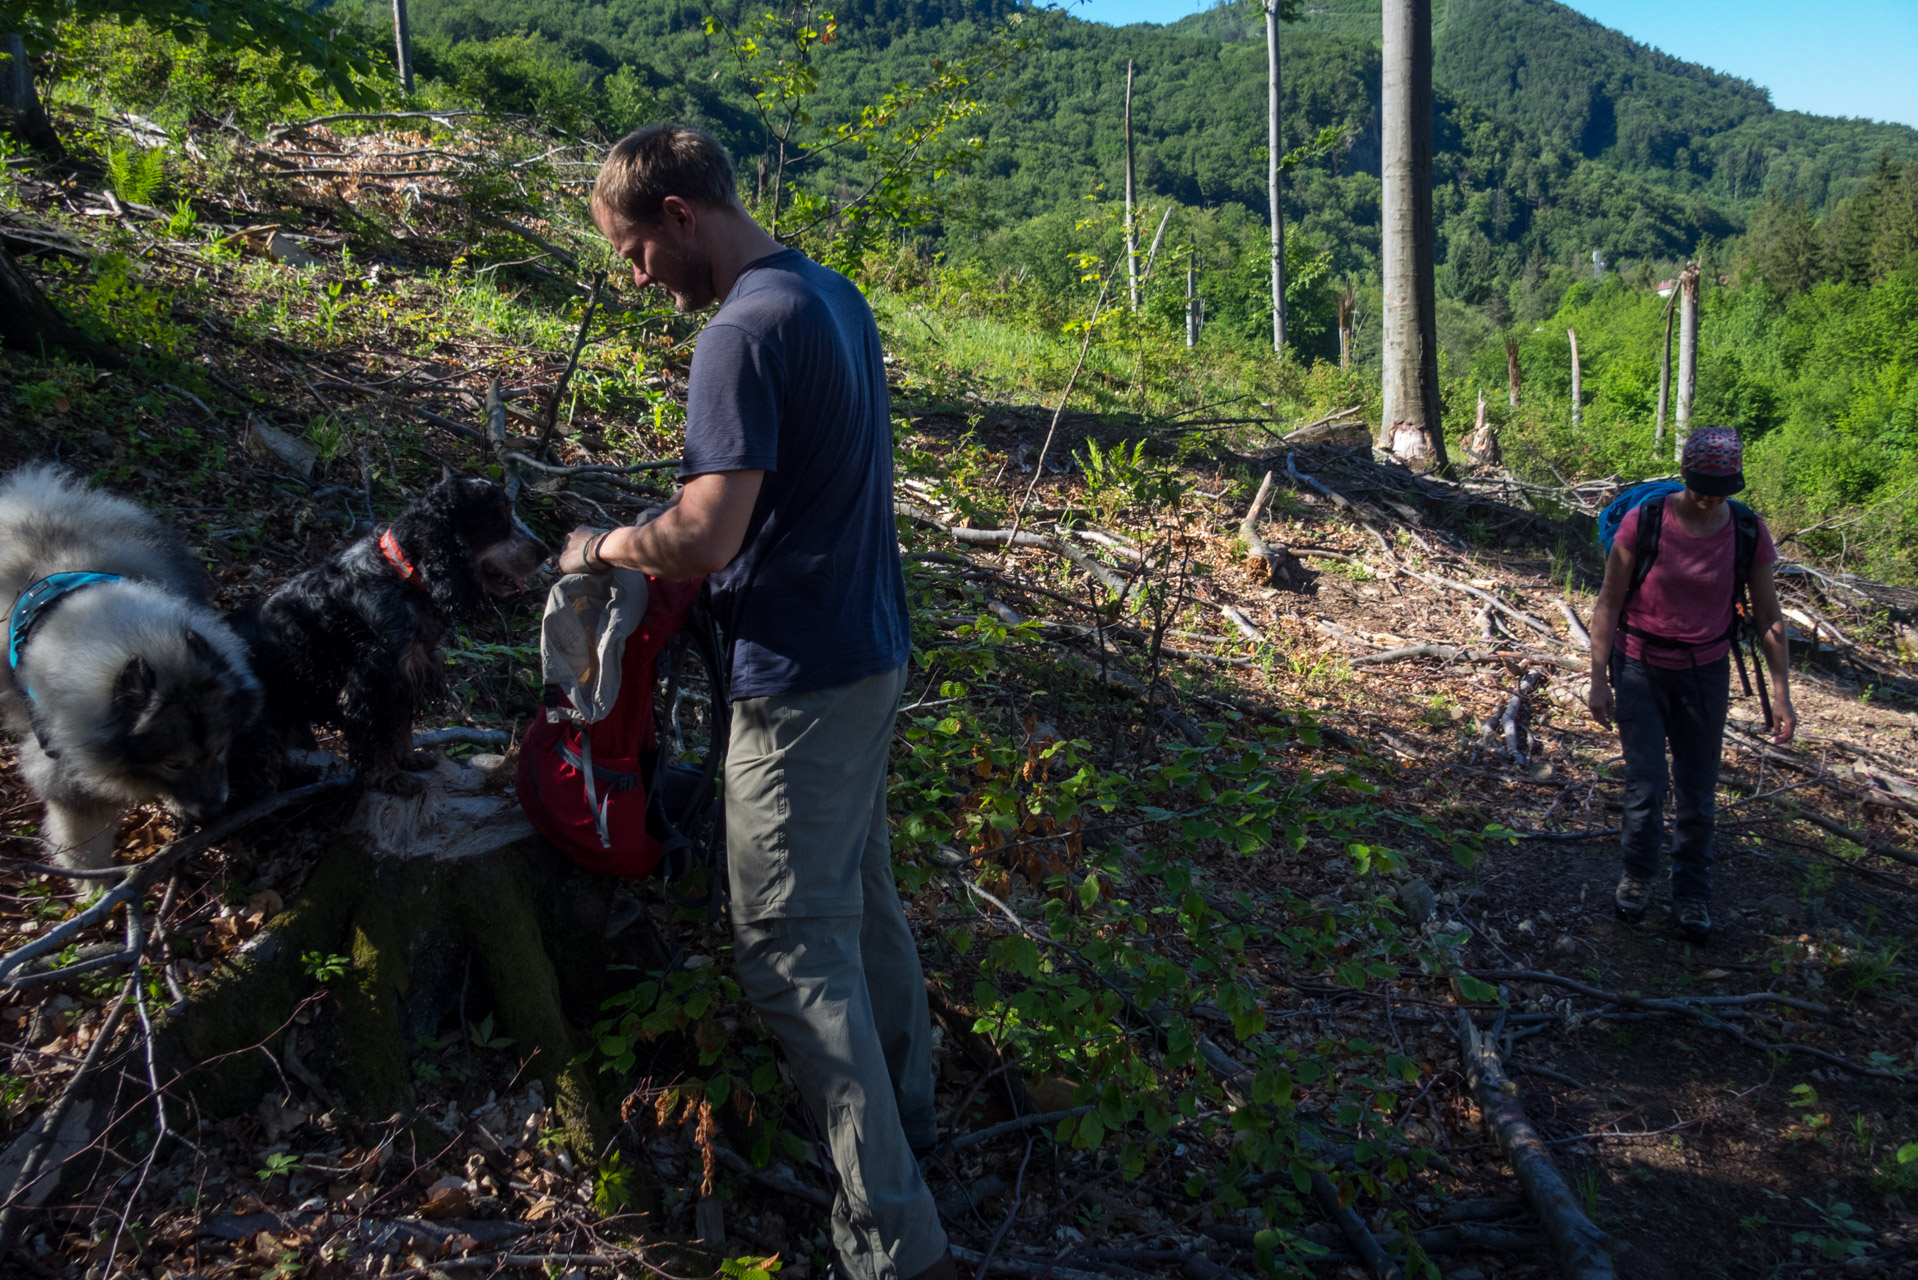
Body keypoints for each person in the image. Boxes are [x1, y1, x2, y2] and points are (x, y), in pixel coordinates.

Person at [557, 125, 952, 1280]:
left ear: (680, 214)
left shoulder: (738, 332)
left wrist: (607, 541)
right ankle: (912, 1129)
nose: (636, 280)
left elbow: (706, 531)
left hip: (803, 674)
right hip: (869, 648)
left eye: (634, 252)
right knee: (860, 901)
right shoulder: (829, 294)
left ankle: (891, 1237)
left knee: (787, 941)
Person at [1586, 426, 1797, 942]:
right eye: (1702, 485)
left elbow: (1770, 618)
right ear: (1685, 475)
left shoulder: (1747, 530)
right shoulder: (1647, 521)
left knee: (1699, 789)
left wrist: (1782, 694)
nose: (1709, 498)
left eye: (1721, 489)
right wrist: (1597, 679)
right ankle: (1637, 875)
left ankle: (1693, 895)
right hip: (1637, 665)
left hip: (1705, 672)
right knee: (1647, 784)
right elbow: (1609, 603)